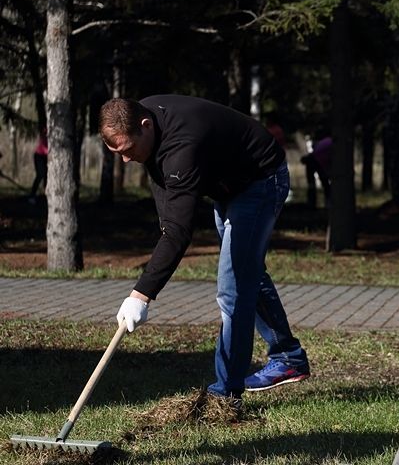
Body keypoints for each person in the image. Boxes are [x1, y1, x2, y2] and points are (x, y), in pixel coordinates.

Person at [99, 95, 310, 404]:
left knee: (233, 287)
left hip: (260, 179)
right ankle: (288, 358)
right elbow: (168, 216)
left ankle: (226, 394)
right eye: (116, 152)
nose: (126, 160)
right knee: (246, 270)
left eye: (128, 149)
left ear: (145, 126)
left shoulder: (182, 146)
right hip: (226, 184)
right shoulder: (142, 122)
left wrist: (141, 294)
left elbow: (179, 233)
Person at [299, 129, 332, 208]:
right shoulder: (330, 143)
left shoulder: (328, 142)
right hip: (315, 160)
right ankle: (322, 203)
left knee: (317, 183)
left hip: (314, 159)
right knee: (323, 183)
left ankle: (314, 203)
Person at [29, 129, 48, 203]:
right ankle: (32, 196)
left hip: (46, 156)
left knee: (47, 175)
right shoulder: (46, 131)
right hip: (39, 155)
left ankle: (46, 196)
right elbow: (44, 145)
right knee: (40, 175)